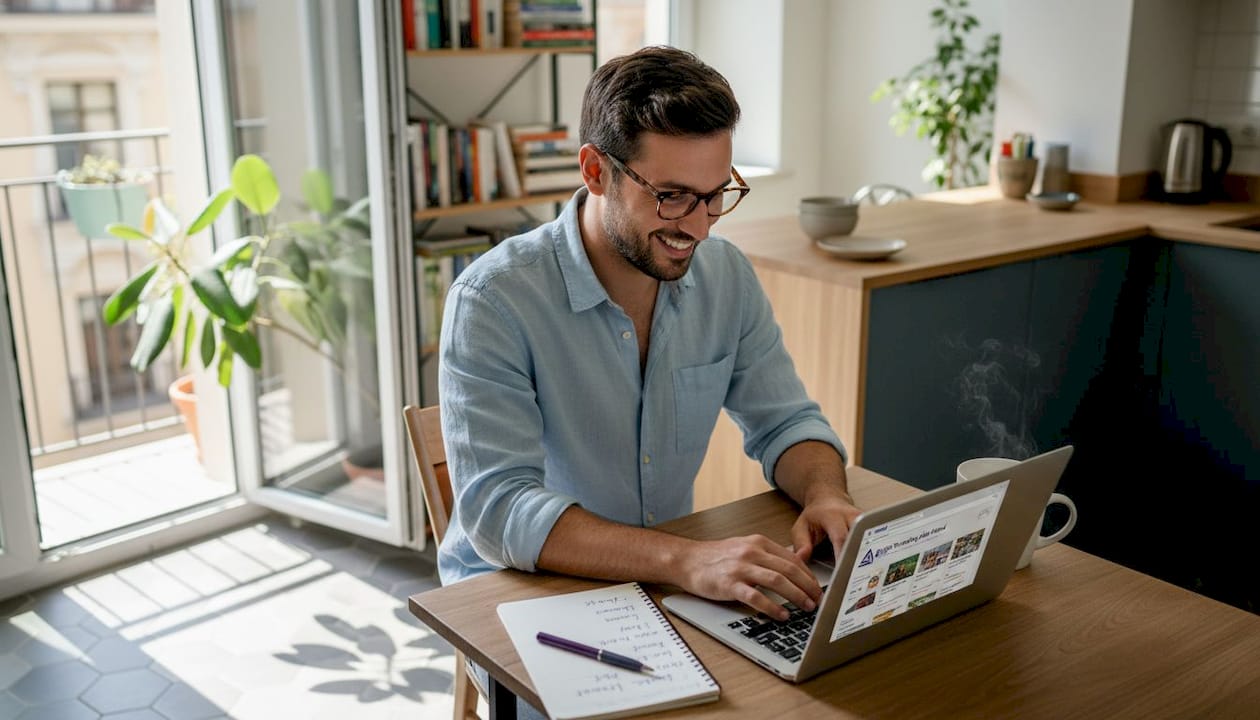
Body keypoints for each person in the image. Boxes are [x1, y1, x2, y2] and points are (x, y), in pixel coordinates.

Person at [437, 46, 860, 623]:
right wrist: (685, 560)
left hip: (662, 579)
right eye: (672, 196)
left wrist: (825, 493)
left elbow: (787, 423)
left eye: (715, 196)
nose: (697, 226)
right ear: (595, 172)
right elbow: (499, 511)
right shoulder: (493, 301)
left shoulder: (726, 277)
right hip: (520, 591)